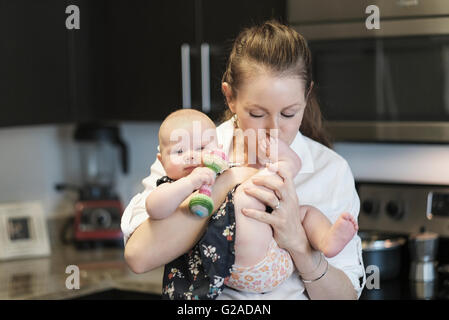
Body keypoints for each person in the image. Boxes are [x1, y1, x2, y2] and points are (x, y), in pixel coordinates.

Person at [121, 20, 366, 299]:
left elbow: (345, 296)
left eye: (289, 113)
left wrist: (299, 244)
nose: (273, 128)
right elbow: (139, 257)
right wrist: (228, 180)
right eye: (258, 114)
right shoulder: (191, 153)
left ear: (307, 96)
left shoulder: (330, 170)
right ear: (230, 97)